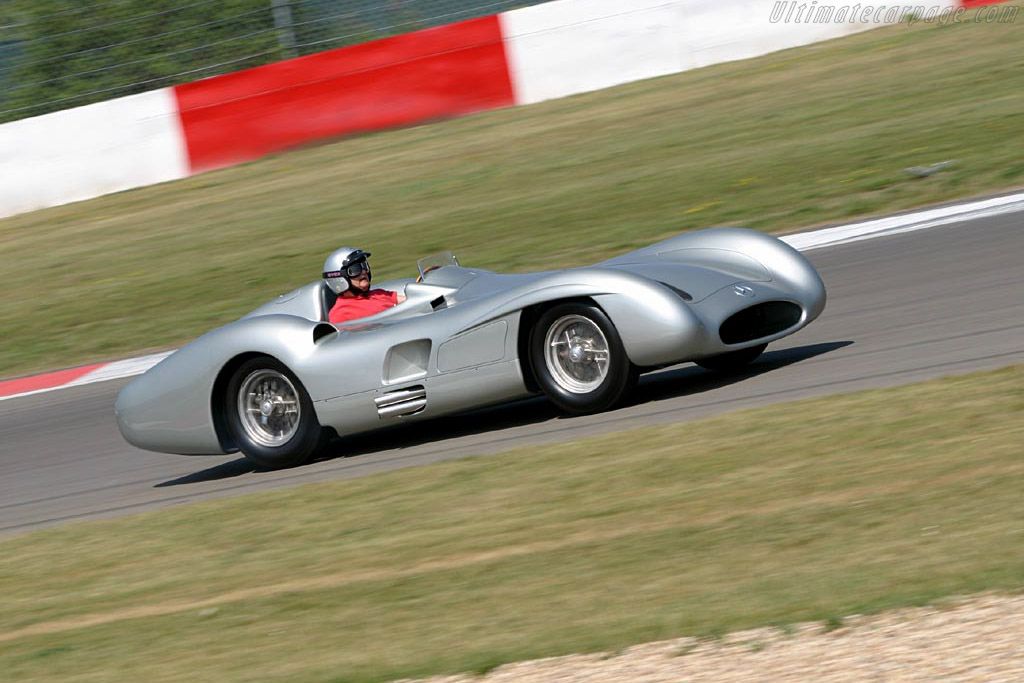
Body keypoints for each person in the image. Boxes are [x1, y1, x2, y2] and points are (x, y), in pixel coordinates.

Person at [322, 247, 405, 324]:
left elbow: (409, 301)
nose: (364, 271)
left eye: (364, 266)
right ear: (339, 279)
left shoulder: (378, 294)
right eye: (355, 269)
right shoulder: (340, 314)